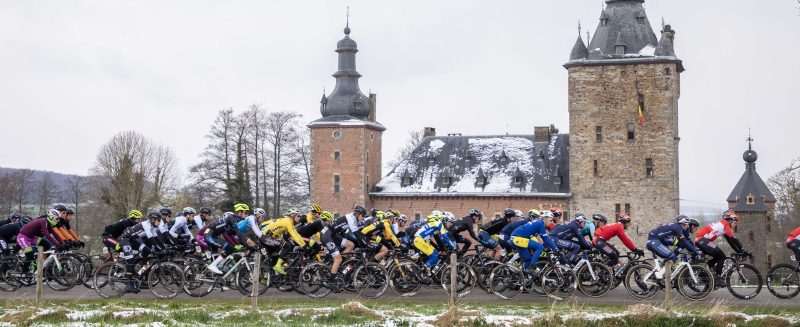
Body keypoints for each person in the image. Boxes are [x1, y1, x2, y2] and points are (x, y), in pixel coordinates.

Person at [695, 211, 746, 287]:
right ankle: (718, 278)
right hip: (702, 240)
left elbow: (730, 242)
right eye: (735, 222)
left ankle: (704, 272)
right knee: (722, 256)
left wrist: (739, 251)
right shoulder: (725, 225)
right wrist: (743, 250)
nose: (736, 224)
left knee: (718, 257)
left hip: (702, 240)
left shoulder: (723, 225)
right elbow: (734, 239)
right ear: (730, 220)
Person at [119, 211, 163, 293]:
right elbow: (151, 239)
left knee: (148, 251)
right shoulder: (146, 224)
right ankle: (129, 284)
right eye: (159, 220)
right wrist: (160, 249)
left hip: (133, 240)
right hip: (125, 240)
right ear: (153, 220)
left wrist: (163, 248)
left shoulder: (152, 226)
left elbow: (156, 238)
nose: (160, 222)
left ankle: (138, 271)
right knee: (130, 259)